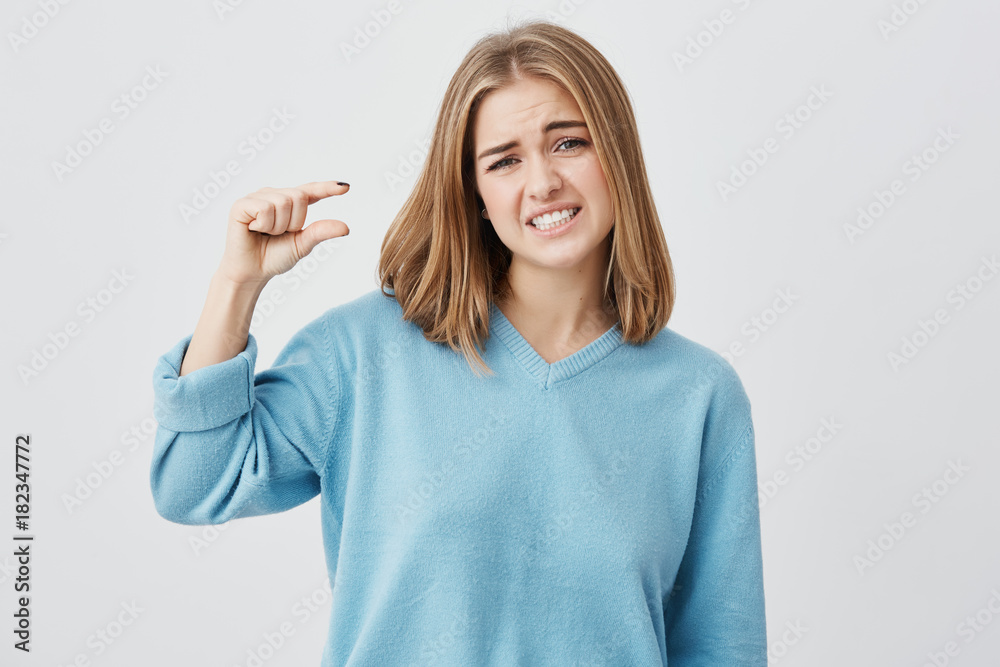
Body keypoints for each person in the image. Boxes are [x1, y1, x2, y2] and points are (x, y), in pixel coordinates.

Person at [150, 18, 767, 666]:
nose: (543, 183)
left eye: (568, 143)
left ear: (617, 154)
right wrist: (236, 284)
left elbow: (723, 647)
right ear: (476, 194)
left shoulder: (699, 395)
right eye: (505, 160)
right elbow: (193, 484)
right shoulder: (363, 354)